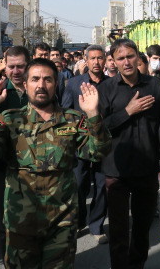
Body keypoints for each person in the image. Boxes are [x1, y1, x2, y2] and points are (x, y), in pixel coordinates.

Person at [0, 58, 111, 268]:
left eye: (48, 80)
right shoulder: (9, 120)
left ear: (56, 84)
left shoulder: (72, 120)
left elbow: (98, 152)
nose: (41, 85)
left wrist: (93, 114)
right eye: (35, 79)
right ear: (25, 84)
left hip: (61, 220)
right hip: (20, 219)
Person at [98, 38, 160, 269]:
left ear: (138, 57)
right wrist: (128, 111)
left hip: (147, 167)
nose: (126, 62)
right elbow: (98, 127)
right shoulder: (106, 89)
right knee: (118, 228)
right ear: (113, 61)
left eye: (130, 56)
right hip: (116, 169)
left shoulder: (155, 86)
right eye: (120, 58)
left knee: (142, 226)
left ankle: (137, 264)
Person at [62, 45, 109, 244]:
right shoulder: (74, 84)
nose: (96, 62)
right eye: (93, 58)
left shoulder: (111, 83)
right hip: (80, 144)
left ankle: (96, 225)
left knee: (102, 185)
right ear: (86, 60)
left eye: (100, 58)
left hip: (103, 143)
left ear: (105, 60)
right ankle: (79, 221)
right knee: (79, 184)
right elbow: (65, 111)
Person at [0, 46, 31, 251]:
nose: (16, 71)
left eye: (20, 66)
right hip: (2, 162)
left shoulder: (37, 88)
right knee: (2, 211)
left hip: (32, 161)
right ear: (4, 66)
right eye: (11, 66)